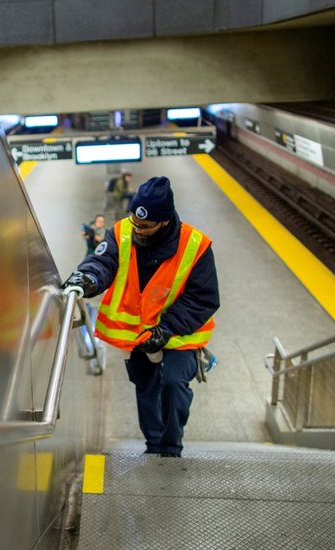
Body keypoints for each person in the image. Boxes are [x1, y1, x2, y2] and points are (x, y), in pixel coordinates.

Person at [62, 176, 219, 457]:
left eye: (145, 226)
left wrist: (167, 329)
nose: (138, 230)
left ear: (165, 222)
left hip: (180, 334)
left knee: (173, 384)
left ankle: (171, 446)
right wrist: (87, 278)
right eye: (135, 221)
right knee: (146, 387)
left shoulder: (196, 246)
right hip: (137, 334)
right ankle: (154, 443)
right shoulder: (123, 232)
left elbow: (203, 297)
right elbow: (103, 261)